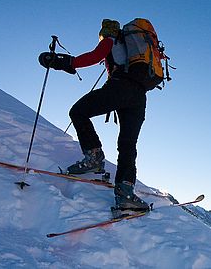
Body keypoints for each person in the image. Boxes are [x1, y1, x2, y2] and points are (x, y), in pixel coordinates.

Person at [38, 19, 150, 211]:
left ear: (105, 31)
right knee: (127, 143)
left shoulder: (110, 40)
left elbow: (94, 55)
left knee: (78, 111)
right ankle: (126, 192)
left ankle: (94, 158)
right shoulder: (134, 50)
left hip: (120, 88)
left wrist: (62, 62)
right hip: (139, 97)